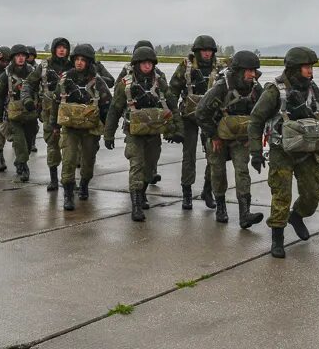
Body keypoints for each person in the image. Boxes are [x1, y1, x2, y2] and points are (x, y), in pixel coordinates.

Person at [247, 47, 319, 259]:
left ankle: (297, 216)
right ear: (294, 69)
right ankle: (277, 239)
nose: (310, 72)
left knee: (313, 190)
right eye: (307, 67)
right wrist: (256, 151)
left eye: (311, 67)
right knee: (282, 195)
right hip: (282, 151)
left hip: (307, 150)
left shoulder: (312, 90)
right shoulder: (274, 91)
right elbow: (255, 120)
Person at [196, 50, 265, 228]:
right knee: (218, 172)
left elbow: (265, 113)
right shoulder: (221, 87)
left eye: (254, 70)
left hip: (241, 139)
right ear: (238, 71)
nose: (252, 74)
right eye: (248, 70)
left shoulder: (256, 89)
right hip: (218, 137)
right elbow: (201, 112)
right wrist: (214, 136)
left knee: (242, 172)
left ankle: (245, 214)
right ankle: (220, 206)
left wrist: (253, 137)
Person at [104, 45, 173, 221]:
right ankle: (135, 205)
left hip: (154, 132)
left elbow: (171, 106)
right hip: (134, 132)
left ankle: (142, 193)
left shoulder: (160, 82)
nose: (147, 66)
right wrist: (108, 133)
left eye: (150, 63)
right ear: (137, 64)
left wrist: (175, 129)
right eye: (143, 63)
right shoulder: (126, 84)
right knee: (137, 166)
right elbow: (115, 108)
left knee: (150, 168)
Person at [51, 43, 113, 210]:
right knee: (69, 160)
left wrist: (108, 130)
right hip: (70, 128)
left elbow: (108, 105)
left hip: (90, 130)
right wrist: (54, 126)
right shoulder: (65, 79)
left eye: (83, 60)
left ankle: (84, 184)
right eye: (76, 59)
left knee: (87, 162)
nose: (79, 63)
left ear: (89, 62)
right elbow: (56, 103)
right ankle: (68, 195)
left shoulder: (98, 82)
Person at [169, 35, 222, 211]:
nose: (207, 54)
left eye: (209, 51)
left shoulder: (220, 68)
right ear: (197, 52)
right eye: (203, 50)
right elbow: (172, 92)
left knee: (213, 156)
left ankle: (208, 190)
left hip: (210, 118)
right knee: (189, 155)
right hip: (189, 117)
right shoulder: (186, 67)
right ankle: (187, 193)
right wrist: (173, 123)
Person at [31, 37, 74, 191]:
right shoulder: (44, 67)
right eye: (59, 47)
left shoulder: (73, 66)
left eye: (65, 47)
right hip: (49, 113)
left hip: (71, 113)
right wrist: (28, 100)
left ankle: (69, 180)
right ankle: (54, 179)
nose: (62, 50)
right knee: (52, 146)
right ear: (54, 49)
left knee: (71, 148)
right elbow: (29, 84)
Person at [0, 45, 40, 182]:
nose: (21, 58)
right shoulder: (5, 75)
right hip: (13, 114)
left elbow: (41, 92)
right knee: (19, 140)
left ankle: (19, 161)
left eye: (23, 55)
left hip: (30, 113)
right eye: (18, 55)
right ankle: (23, 166)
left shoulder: (34, 73)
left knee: (28, 140)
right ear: (13, 58)